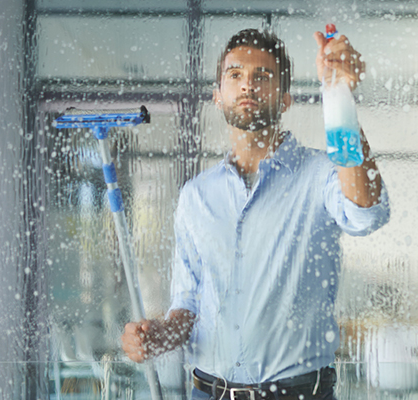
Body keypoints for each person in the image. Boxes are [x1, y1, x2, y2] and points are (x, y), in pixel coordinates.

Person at [121, 27, 389, 400]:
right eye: (235, 75)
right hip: (207, 392)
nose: (247, 85)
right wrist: (157, 337)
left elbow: (366, 213)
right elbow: (189, 304)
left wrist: (339, 96)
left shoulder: (320, 175)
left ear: (284, 100)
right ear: (217, 96)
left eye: (262, 76)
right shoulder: (196, 196)